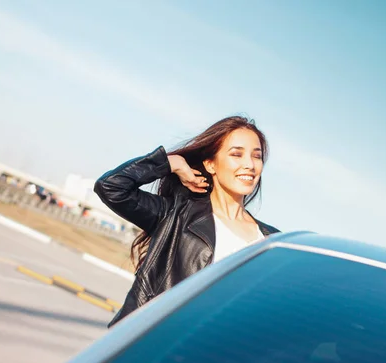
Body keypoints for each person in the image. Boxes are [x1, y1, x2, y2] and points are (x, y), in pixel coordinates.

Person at [94, 116, 280, 327]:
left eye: (257, 156)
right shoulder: (175, 215)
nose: (249, 165)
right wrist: (169, 163)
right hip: (153, 343)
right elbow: (111, 187)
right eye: (236, 154)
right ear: (210, 164)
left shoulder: (274, 241)